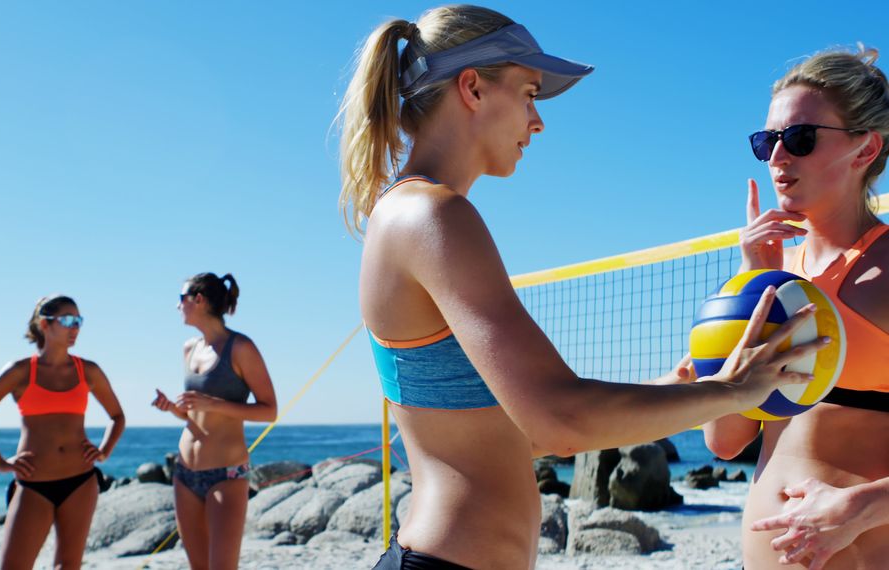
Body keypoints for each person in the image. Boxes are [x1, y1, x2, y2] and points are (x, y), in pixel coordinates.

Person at [337, 5, 830, 569]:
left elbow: (518, 436)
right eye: (528, 93)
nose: (538, 120)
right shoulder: (432, 216)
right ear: (472, 87)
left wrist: (676, 387)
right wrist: (735, 392)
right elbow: (561, 420)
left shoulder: (410, 213)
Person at [704, 47, 889, 569]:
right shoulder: (765, 271)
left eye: (800, 139)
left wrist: (861, 507)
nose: (778, 159)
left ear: (865, 149)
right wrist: (752, 286)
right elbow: (723, 439)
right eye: (767, 142)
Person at [0, 294, 125, 570]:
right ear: (44, 324)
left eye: (79, 321)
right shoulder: (20, 371)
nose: (75, 328)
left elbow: (117, 416)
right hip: (33, 483)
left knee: (68, 565)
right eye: (68, 320)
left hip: (81, 481)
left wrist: (104, 451)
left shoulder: (88, 370)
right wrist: (0, 463)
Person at [152, 272, 277, 570]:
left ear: (199, 299)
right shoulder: (189, 348)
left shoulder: (241, 347)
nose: (177, 306)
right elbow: (196, 413)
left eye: (181, 299)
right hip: (184, 472)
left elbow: (269, 410)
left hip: (226, 474)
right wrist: (172, 408)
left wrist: (213, 404)